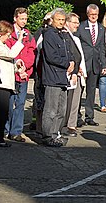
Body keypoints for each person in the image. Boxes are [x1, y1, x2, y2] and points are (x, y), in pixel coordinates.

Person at [41, 9, 75, 147]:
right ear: (52, 20)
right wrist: (67, 63)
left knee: (61, 110)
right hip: (52, 77)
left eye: (62, 20)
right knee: (51, 109)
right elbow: (51, 56)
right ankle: (47, 136)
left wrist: (72, 62)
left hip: (63, 78)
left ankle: (56, 134)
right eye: (58, 20)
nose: (61, 22)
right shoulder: (49, 35)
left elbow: (69, 52)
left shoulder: (63, 35)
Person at [0, 20, 24, 148]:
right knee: (0, 112)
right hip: (1, 84)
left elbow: (8, 61)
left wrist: (17, 66)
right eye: (8, 34)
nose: (9, 37)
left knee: (3, 113)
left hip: (7, 83)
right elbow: (10, 55)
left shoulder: (2, 45)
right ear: (2, 33)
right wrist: (19, 40)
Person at [5, 7, 36, 142]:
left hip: (23, 75)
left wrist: (25, 67)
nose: (24, 21)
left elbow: (32, 53)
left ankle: (16, 131)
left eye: (26, 19)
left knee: (20, 103)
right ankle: (5, 129)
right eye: (22, 18)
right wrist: (17, 65)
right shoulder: (9, 34)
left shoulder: (28, 35)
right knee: (8, 103)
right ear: (15, 18)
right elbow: (8, 52)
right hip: (11, 74)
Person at [76, 4, 106, 126]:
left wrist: (104, 64)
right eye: (91, 14)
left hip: (95, 64)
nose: (93, 17)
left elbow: (102, 47)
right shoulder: (81, 27)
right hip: (83, 63)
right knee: (79, 91)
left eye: (96, 14)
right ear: (87, 14)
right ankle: (77, 116)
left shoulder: (101, 28)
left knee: (91, 91)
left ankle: (89, 116)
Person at [63, 13, 86, 137]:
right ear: (67, 22)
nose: (77, 25)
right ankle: (66, 125)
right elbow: (70, 55)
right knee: (69, 100)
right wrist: (74, 71)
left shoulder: (74, 37)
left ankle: (71, 124)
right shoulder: (65, 36)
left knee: (75, 100)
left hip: (77, 72)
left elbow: (78, 55)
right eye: (75, 22)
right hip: (70, 73)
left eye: (78, 22)